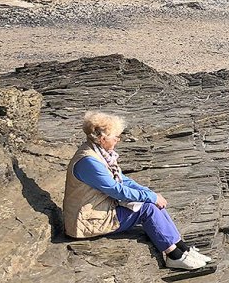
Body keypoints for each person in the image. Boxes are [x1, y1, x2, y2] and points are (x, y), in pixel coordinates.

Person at [63, 111, 211, 271]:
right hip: (89, 221)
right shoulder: (89, 162)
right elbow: (116, 190)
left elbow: (122, 179)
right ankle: (173, 255)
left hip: (100, 211)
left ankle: (182, 247)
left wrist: (150, 193)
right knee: (147, 209)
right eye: (115, 137)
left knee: (153, 201)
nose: (118, 140)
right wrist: (150, 197)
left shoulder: (99, 154)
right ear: (102, 138)